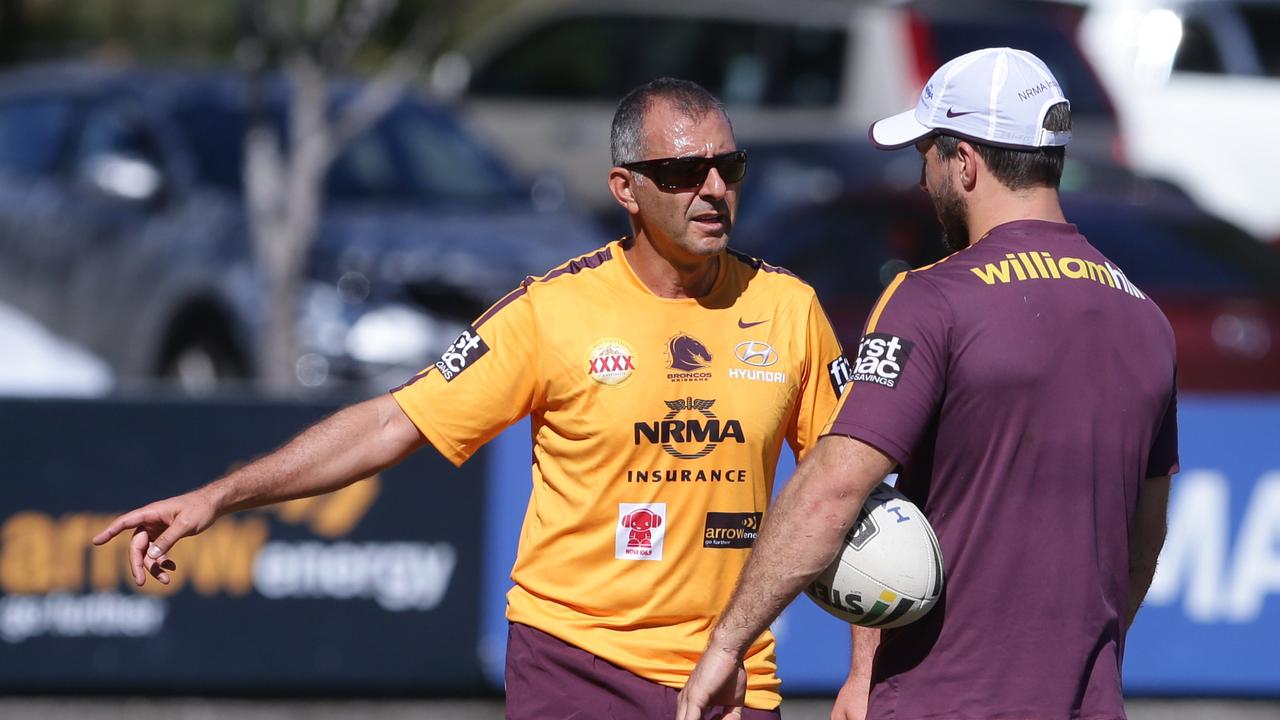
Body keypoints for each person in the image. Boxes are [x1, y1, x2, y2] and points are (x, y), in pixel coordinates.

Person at [93, 77, 851, 719]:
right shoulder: (551, 312)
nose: (715, 189)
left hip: (732, 673)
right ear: (626, 188)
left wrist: (864, 671)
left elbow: (849, 495)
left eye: (730, 166)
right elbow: (393, 420)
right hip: (577, 665)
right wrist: (221, 496)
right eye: (686, 172)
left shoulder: (790, 311)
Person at [677, 48, 1178, 720]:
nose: (922, 178)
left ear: (965, 162)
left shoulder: (932, 298)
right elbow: (1143, 536)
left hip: (946, 698)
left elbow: (832, 492)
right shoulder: (1145, 316)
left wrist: (727, 643)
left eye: (928, 155)